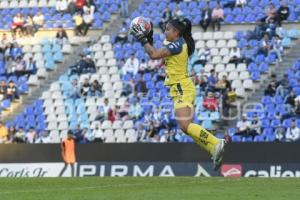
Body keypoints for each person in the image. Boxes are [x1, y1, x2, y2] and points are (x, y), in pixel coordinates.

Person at [130, 17, 229, 170]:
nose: (165, 32)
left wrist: (142, 38)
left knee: (184, 125)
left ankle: (216, 142)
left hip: (182, 87)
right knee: (185, 127)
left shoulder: (177, 44)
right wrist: (148, 36)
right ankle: (213, 148)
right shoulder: (176, 43)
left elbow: (154, 55)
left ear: (176, 32)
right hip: (180, 88)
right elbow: (155, 50)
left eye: (168, 29)